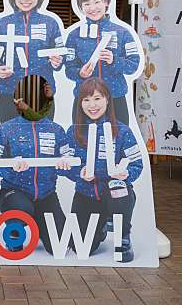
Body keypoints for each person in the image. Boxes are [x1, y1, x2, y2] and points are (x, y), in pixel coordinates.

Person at [65, 77, 143, 262]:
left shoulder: (123, 131)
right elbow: (66, 166)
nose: (92, 105)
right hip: (86, 194)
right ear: (80, 102)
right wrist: (78, 172)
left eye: (97, 98)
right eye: (86, 100)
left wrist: (126, 174)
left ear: (107, 99)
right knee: (81, 249)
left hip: (113, 193)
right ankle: (100, 227)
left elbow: (136, 163)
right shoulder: (73, 131)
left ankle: (123, 236)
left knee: (119, 189)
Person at [0, 95, 72, 255]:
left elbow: (68, 163)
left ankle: (41, 223)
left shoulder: (57, 130)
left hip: (46, 195)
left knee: (60, 248)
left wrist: (64, 165)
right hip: (14, 192)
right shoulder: (5, 129)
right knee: (22, 208)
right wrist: (11, 166)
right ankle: (14, 232)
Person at [0, 0, 64, 123]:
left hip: (42, 94)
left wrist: (58, 61)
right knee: (10, 142)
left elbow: (62, 52)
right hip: (10, 94)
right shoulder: (1, 24)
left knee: (42, 142)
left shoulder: (50, 23)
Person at [65, 0, 141, 124]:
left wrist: (114, 60)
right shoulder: (74, 35)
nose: (92, 8)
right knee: (82, 142)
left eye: (97, 2)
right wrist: (79, 73)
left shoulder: (122, 32)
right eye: (86, 4)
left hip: (115, 99)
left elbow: (134, 65)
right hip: (85, 100)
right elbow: (68, 69)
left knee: (118, 141)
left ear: (106, 2)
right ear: (81, 7)